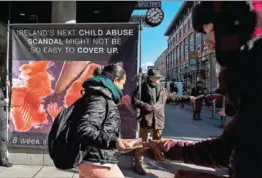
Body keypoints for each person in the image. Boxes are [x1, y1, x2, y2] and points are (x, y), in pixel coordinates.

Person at [143, 2, 262, 178]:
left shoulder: (252, 92)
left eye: (210, 32)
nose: (207, 43)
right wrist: (164, 147)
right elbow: (225, 151)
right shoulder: (248, 96)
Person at [76, 64, 140, 178]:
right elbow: (85, 130)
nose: (122, 88)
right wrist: (115, 141)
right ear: (115, 81)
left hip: (93, 160)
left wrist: (119, 141)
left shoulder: (99, 96)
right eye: (122, 84)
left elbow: (102, 129)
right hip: (97, 161)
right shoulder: (99, 99)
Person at [131, 69, 196, 175]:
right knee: (143, 142)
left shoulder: (162, 88)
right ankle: (138, 162)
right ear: (150, 78)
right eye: (156, 77)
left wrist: (188, 98)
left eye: (159, 77)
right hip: (146, 118)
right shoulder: (142, 87)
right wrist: (145, 106)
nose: (158, 79)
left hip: (159, 119)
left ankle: (157, 161)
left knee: (158, 142)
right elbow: (134, 100)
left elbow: (173, 98)